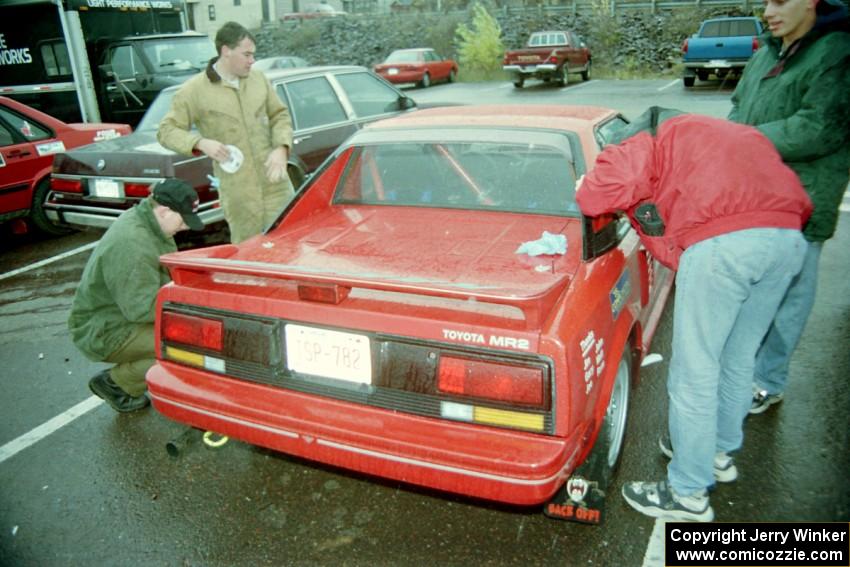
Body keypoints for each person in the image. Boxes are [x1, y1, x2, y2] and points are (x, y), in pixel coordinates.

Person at [576, 108, 812, 522]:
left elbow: (596, 196)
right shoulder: (732, 136)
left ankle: (687, 493)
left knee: (694, 372)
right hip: (787, 240)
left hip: (725, 247)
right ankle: (717, 452)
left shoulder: (647, 141)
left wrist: (585, 184)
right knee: (737, 358)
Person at [728, 0, 850, 414]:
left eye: (779, 1)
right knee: (753, 292)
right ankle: (745, 370)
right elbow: (737, 108)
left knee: (790, 297)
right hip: (756, 196)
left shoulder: (835, 52)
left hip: (803, 200)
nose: (768, 11)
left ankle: (768, 380)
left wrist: (743, 141)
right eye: (765, 2)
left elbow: (819, 127)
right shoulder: (766, 52)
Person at [69, 179, 203, 413]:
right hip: (104, 330)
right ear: (163, 210)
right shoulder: (134, 244)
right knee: (187, 344)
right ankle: (116, 383)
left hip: (117, 316)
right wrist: (191, 308)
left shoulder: (149, 222)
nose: (186, 228)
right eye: (183, 220)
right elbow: (142, 308)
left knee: (191, 333)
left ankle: (129, 374)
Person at [157, 21, 295, 244]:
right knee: (249, 253)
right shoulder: (193, 91)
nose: (252, 61)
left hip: (276, 185)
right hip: (238, 192)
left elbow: (280, 115)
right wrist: (200, 142)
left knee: (289, 242)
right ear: (226, 51)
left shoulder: (259, 80)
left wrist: (281, 148)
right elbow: (166, 131)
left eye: (253, 55)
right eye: (247, 54)